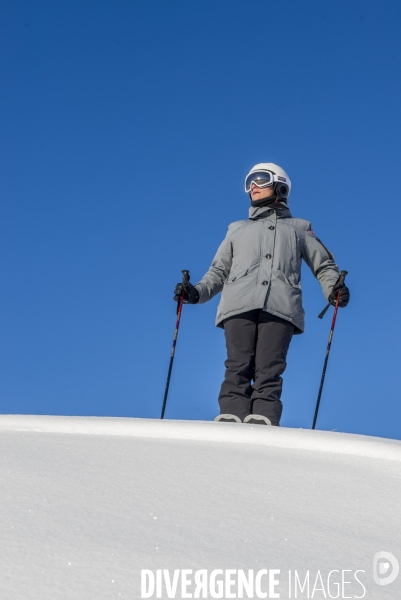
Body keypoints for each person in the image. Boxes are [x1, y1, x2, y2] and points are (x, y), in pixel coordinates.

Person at [173, 163, 350, 426]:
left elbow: (323, 265)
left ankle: (263, 418)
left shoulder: (299, 228)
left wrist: (333, 288)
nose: (252, 186)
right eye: (249, 182)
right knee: (237, 363)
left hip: (280, 306)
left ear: (280, 185)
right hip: (238, 304)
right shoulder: (237, 229)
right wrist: (196, 292)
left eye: (259, 179)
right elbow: (218, 271)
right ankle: (232, 414)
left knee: (269, 367)